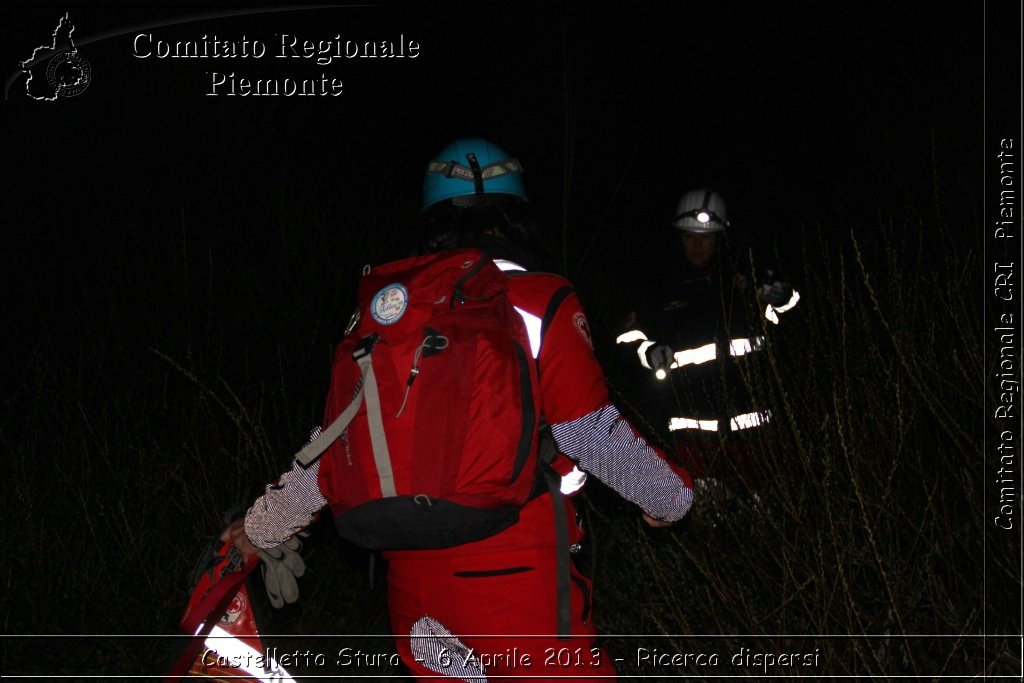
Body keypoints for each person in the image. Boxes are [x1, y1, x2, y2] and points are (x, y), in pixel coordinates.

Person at [222, 138, 694, 680]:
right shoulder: (541, 297)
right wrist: (670, 495)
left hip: (413, 586)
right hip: (515, 577)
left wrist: (263, 525)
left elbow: (335, 444)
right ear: (517, 213)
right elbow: (589, 433)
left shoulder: (386, 317)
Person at [615, 188, 799, 488]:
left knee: (761, 514)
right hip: (691, 436)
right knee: (703, 521)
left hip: (755, 437)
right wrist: (648, 351)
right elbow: (626, 338)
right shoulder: (661, 287)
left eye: (706, 237)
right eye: (689, 236)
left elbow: (795, 314)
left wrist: (782, 297)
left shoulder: (744, 278)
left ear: (720, 238)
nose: (697, 245)